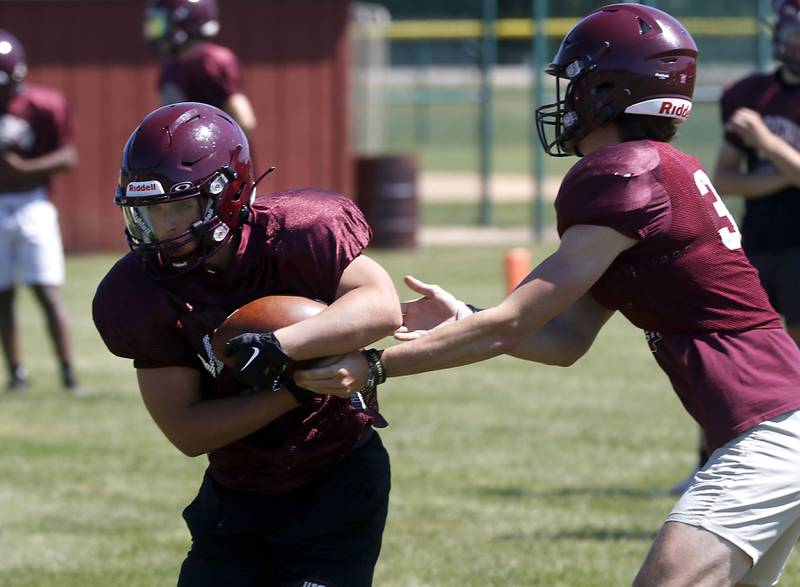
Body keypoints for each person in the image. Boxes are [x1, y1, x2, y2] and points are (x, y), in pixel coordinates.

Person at [294, 5, 800, 586]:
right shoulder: (658, 170)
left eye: (576, 83)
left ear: (609, 89)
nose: (568, 100)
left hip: (763, 433)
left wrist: (375, 366)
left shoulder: (626, 173)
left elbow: (510, 325)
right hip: (777, 425)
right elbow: (565, 338)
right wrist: (465, 315)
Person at [92, 102, 401, 586]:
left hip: (336, 472)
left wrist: (282, 345)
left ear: (226, 195)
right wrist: (292, 390)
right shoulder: (137, 293)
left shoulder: (301, 230)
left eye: (175, 209)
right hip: (236, 490)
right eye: (146, 214)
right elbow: (187, 431)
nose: (161, 230)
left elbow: (382, 306)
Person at [713, 0, 800, 347]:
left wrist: (766, 142)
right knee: (749, 346)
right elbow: (725, 180)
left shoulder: (757, 121)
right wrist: (790, 173)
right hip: (759, 241)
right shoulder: (748, 95)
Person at [0, 29, 80, 392]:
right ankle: (16, 374)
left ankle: (68, 373)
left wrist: (23, 169)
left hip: (33, 203)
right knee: (3, 295)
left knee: (46, 292)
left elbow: (68, 156)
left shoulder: (44, 104)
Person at [143, 0, 257, 134]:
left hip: (216, 150)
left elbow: (245, 121)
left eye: (159, 23)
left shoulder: (212, 61)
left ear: (184, 20)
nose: (155, 30)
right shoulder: (170, 68)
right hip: (185, 152)